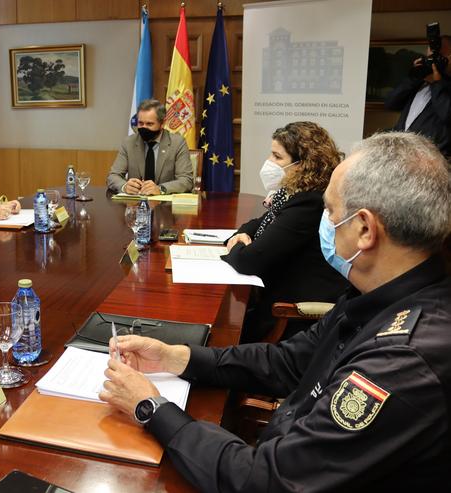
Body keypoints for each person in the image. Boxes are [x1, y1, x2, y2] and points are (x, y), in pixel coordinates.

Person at [100, 132, 451, 491]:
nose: (324, 222)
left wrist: (151, 407)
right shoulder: (378, 296)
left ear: (364, 229)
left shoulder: (403, 362)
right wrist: (178, 358)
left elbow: (266, 481)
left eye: (329, 211)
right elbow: (286, 362)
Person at [221, 122, 349, 342]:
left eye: (277, 157)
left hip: (293, 312)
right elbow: (255, 223)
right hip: (277, 292)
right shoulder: (293, 194)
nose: (269, 163)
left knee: (221, 333)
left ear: (302, 164)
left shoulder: (309, 203)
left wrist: (237, 244)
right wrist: (240, 235)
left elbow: (248, 260)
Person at [106, 99, 193, 195]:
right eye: (141, 123)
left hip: (165, 206)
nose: (144, 128)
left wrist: (160, 189)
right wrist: (125, 186)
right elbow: (113, 176)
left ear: (162, 124)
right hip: (136, 205)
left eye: (149, 124)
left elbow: (186, 180)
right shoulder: (129, 142)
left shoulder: (177, 143)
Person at [385, 35, 451, 157]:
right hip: (402, 155)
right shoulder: (419, 82)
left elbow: (447, 114)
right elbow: (390, 103)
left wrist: (437, 83)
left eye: (438, 58)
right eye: (430, 57)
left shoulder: (445, 86)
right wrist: (414, 78)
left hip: (434, 160)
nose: (433, 63)